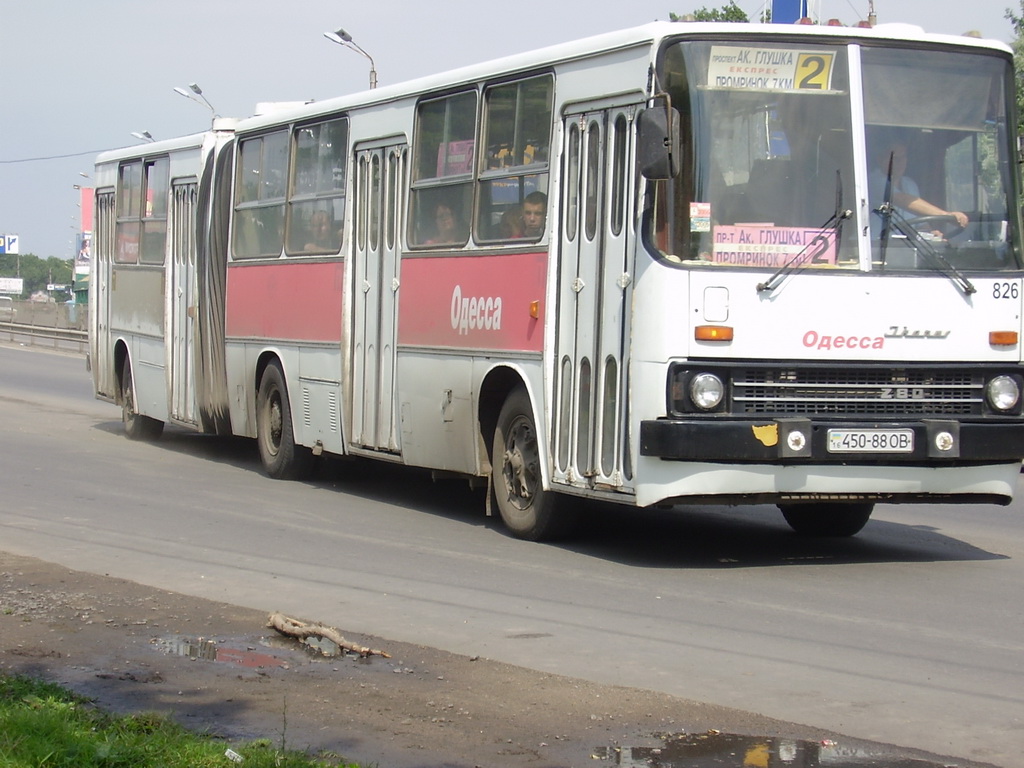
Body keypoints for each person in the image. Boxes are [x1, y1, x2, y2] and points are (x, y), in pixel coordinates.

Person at [869, 141, 968, 237]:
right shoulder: (872, 181)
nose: (900, 162)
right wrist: (946, 216)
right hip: (877, 248)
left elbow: (920, 224)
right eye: (894, 158)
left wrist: (930, 233)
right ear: (880, 159)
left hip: (906, 249)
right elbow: (903, 200)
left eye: (903, 157)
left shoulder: (910, 185)